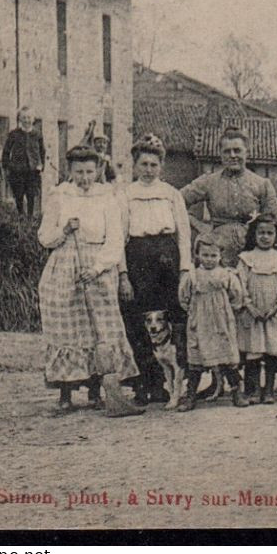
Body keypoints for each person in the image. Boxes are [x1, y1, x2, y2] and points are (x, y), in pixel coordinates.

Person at [37, 145, 143, 417]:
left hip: (98, 266)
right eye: (78, 172)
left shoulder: (107, 197)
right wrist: (64, 230)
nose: (84, 177)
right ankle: (65, 394)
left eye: (89, 171)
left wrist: (97, 268)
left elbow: (116, 239)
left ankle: (98, 391)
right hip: (65, 266)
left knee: (102, 332)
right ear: (70, 170)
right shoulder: (60, 195)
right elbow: (44, 237)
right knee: (69, 331)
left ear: (97, 170)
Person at [119, 133, 192, 405]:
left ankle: (173, 384)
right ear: (135, 166)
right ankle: (145, 383)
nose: (148, 170)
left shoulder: (171, 194)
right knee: (138, 322)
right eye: (143, 165)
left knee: (172, 319)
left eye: (153, 165)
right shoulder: (125, 194)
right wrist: (123, 275)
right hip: (138, 259)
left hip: (167, 261)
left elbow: (184, 234)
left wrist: (185, 270)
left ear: (161, 166)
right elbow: (118, 236)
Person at [181, 127, 277, 268]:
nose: (232, 155)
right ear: (220, 154)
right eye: (227, 151)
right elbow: (177, 200)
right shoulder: (209, 181)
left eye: (237, 150)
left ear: (247, 152)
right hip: (216, 251)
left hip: (251, 250)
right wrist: (199, 225)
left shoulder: (262, 184)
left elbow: (272, 218)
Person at [177, 233, 250, 410]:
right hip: (199, 322)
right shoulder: (192, 276)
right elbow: (183, 297)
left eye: (213, 255)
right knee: (196, 358)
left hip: (221, 322)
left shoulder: (226, 274)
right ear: (197, 255)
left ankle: (236, 392)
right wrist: (195, 312)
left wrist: (227, 312)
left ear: (220, 256)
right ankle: (191, 395)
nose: (209, 259)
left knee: (226, 355)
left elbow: (237, 295)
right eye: (205, 255)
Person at [236, 213, 277, 404]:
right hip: (252, 312)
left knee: (271, 352)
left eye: (269, 233)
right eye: (260, 233)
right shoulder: (246, 258)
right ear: (254, 235)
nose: (265, 237)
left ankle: (269, 390)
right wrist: (249, 305)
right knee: (253, 353)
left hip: (273, 312)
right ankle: (252, 390)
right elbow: (240, 284)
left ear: (276, 236)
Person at [2, 107, 46, 217]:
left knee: (31, 195)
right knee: (19, 194)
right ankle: (21, 216)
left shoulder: (37, 134)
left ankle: (30, 218)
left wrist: (41, 165)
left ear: (33, 119)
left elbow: (42, 151)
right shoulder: (14, 134)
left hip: (32, 170)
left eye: (29, 117)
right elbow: (6, 151)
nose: (26, 120)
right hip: (17, 170)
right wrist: (8, 166)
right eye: (24, 117)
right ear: (20, 119)